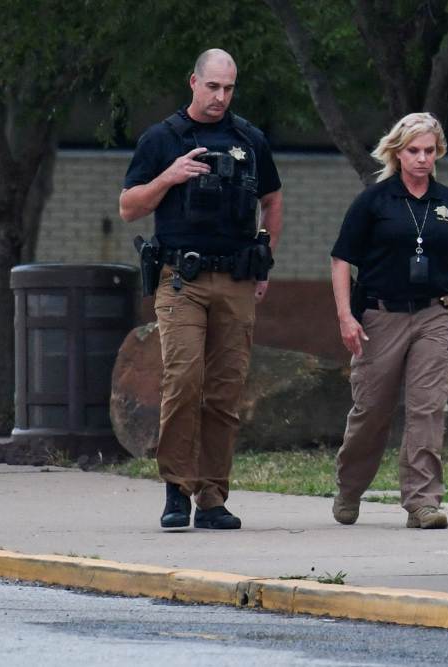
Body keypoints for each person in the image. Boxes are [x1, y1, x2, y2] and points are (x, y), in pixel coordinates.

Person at [119, 48, 284, 530]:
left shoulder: (249, 139)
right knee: (184, 380)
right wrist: (168, 178)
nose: (220, 97)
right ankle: (176, 489)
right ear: (193, 82)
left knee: (225, 390)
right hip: (181, 280)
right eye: (212, 86)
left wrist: (264, 260)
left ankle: (212, 498)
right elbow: (129, 206)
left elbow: (272, 200)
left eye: (229, 88)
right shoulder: (162, 138)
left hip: (236, 278)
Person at [329, 112, 448, 530]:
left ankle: (422, 502)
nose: (422, 159)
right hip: (381, 315)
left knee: (427, 408)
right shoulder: (374, 201)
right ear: (397, 153)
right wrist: (346, 316)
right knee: (372, 410)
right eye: (413, 151)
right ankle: (349, 487)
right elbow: (342, 259)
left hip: (435, 314)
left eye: (429, 151)